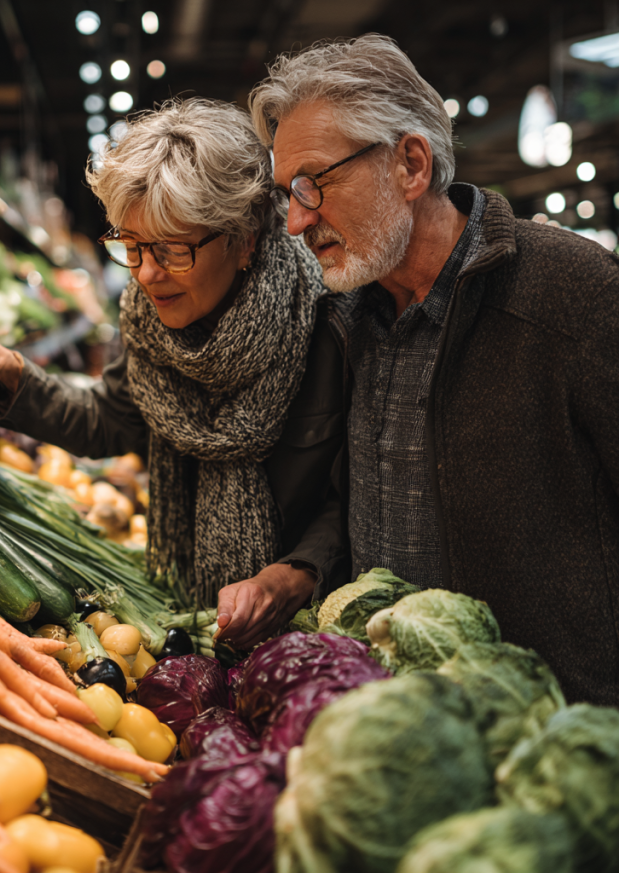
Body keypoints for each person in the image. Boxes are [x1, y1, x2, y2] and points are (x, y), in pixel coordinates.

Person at [246, 33, 619, 705]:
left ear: (410, 165)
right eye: (287, 195)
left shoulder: (573, 293)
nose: (296, 221)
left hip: (542, 724)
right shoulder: (346, 317)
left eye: (313, 184)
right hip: (397, 719)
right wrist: (303, 566)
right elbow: (360, 494)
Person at [0, 98, 350, 650]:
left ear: (243, 240)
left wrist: (294, 575)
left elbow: (358, 496)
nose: (146, 274)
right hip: (198, 616)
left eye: (171, 250)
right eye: (132, 246)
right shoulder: (148, 322)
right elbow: (113, 421)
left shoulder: (330, 319)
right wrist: (13, 372)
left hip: (315, 629)